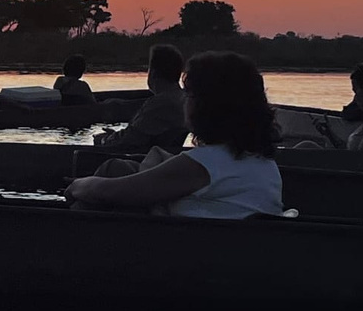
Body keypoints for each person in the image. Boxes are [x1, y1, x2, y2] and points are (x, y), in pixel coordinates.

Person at [65, 51, 283, 218]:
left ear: (206, 105)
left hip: (192, 258)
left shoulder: (204, 165)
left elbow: (109, 191)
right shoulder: (261, 161)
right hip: (221, 250)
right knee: (118, 168)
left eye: (188, 94)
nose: (183, 101)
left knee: (107, 178)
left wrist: (78, 185)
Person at [94, 44, 187, 151]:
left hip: (144, 159)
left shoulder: (158, 104)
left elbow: (130, 139)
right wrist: (115, 135)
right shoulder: (184, 99)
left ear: (153, 73)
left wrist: (104, 140)